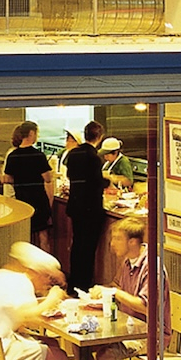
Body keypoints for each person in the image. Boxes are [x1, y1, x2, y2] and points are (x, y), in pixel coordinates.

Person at [93, 217, 172, 360]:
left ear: (133, 242)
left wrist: (115, 293)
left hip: (150, 334)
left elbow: (146, 307)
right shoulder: (127, 262)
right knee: (82, 346)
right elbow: (117, 287)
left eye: (117, 239)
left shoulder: (152, 267)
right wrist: (99, 294)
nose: (112, 244)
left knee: (104, 358)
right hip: (127, 327)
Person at [63, 121, 107, 290]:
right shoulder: (94, 157)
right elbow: (97, 182)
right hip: (91, 208)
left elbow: (70, 175)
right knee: (88, 248)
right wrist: (109, 181)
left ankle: (73, 281)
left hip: (75, 205)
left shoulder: (73, 153)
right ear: (99, 137)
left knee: (77, 244)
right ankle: (84, 284)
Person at [0, 121, 55, 249]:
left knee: (24, 234)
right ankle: (43, 263)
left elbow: (7, 178)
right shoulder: (38, 155)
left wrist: (21, 179)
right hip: (38, 200)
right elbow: (48, 178)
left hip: (22, 200)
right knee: (42, 233)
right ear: (31, 134)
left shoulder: (13, 156)